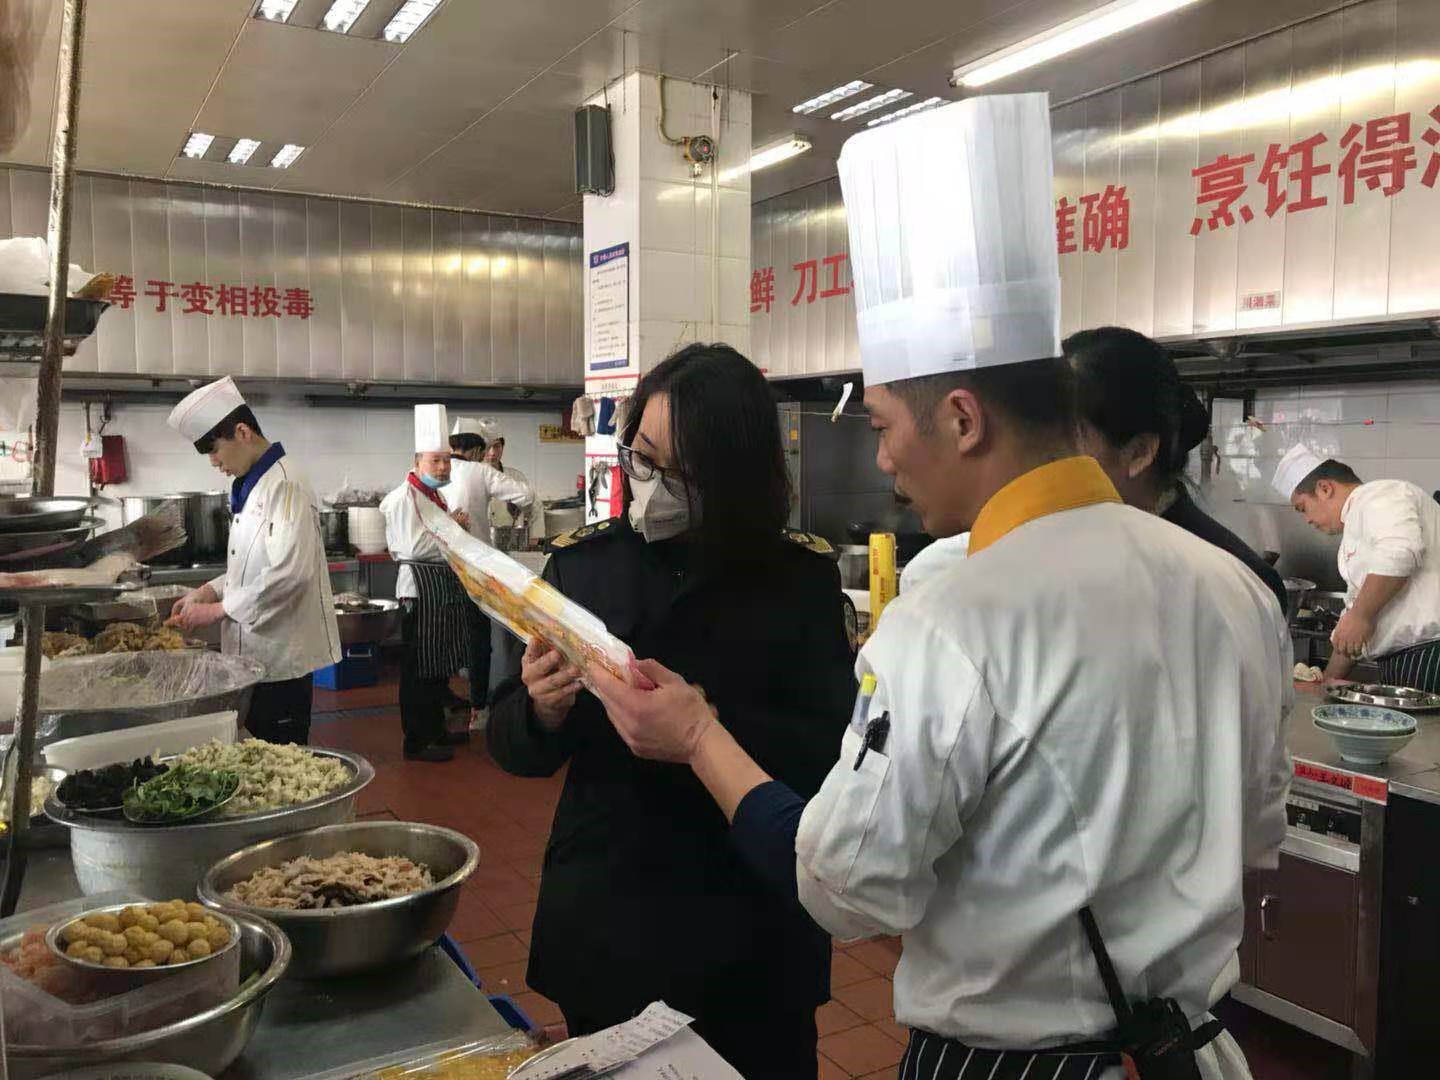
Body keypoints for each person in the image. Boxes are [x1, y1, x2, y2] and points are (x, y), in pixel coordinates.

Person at [585, 95, 1291, 1080]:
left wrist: (698, 736)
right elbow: (1260, 836)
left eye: (881, 424)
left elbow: (845, 885)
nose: (882, 460)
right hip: (1189, 1056)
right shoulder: (1233, 589)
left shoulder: (955, 612)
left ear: (961, 419)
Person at [486, 343, 855, 1079]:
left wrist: (708, 726)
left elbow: (831, 753)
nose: (649, 484)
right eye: (640, 457)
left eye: (676, 471)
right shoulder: (584, 567)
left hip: (751, 927)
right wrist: (541, 709)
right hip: (613, 914)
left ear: (734, 479)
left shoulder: (800, 580)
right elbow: (512, 744)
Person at [1067, 325, 1289, 616]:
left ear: (1139, 453)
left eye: (1066, 439)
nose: (1038, 462)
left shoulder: (1241, 583)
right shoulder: (1067, 549)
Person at [165, 376, 341, 744]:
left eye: (215, 450)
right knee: (256, 749)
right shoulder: (249, 484)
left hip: (282, 659)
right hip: (254, 657)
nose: (214, 462)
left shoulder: (286, 483)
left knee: (281, 761)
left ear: (242, 432)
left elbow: (291, 575)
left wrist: (215, 613)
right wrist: (207, 593)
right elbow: (248, 566)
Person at [1274, 446, 1440, 689]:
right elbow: (1351, 631)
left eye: (1303, 508)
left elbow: (1399, 552)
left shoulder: (1380, 494)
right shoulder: (1355, 531)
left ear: (1324, 488)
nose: (1307, 519)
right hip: (1406, 663)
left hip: (1429, 657)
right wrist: (1325, 684)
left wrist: (1360, 615)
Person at [380, 405, 486, 763]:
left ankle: (436, 731)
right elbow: (413, 547)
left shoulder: (433, 496)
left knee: (437, 668)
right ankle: (417, 740)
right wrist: (452, 529)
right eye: (435, 461)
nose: (443, 467)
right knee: (418, 672)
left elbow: (435, 538)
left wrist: (450, 525)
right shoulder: (403, 498)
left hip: (439, 590)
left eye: (446, 460)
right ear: (417, 460)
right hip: (419, 592)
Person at [446, 419, 535, 732]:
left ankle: (442, 702)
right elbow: (527, 495)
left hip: (439, 565)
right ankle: (478, 708)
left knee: (443, 636)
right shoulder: (479, 471)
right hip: (474, 567)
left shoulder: (436, 470)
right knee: (477, 637)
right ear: (475, 450)